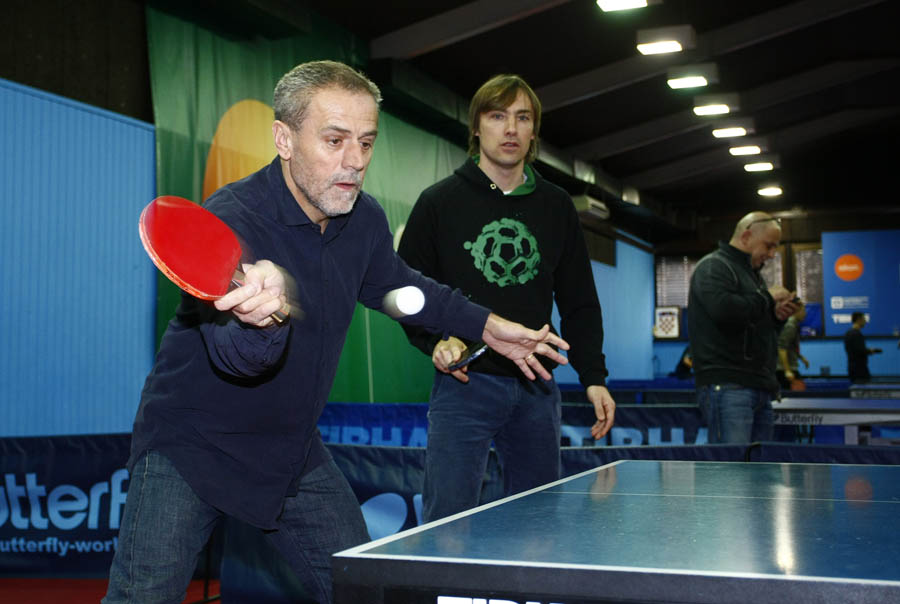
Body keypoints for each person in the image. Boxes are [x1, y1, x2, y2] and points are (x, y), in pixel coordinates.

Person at [103, 61, 571, 604]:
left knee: (369, 595)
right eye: (335, 140)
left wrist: (489, 326)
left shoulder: (363, 222)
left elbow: (404, 291)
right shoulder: (234, 218)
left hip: (292, 450)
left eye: (367, 143)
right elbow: (237, 359)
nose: (355, 162)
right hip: (191, 448)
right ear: (284, 138)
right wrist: (260, 319)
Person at [397, 74, 616, 523]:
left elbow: (579, 300)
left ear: (534, 131)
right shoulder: (437, 203)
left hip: (538, 387)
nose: (510, 129)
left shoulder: (556, 207)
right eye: (498, 116)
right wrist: (435, 340)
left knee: (537, 524)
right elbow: (405, 291)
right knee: (447, 524)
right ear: (477, 127)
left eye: (523, 117)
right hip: (464, 385)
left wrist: (594, 374)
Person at [687, 212, 800, 444]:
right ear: (747, 236)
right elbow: (724, 311)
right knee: (732, 474)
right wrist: (767, 298)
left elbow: (752, 327)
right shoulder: (713, 267)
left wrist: (776, 318)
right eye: (768, 246)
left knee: (761, 475)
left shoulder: (753, 277)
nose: (771, 254)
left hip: (758, 386)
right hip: (729, 386)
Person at [777, 301, 809, 389]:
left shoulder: (794, 324)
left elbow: (791, 346)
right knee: (799, 394)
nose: (805, 314)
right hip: (785, 369)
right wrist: (787, 371)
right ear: (796, 311)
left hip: (788, 367)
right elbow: (781, 348)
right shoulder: (790, 325)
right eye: (803, 311)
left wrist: (801, 357)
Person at [844, 311, 881, 383]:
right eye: (864, 319)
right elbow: (859, 351)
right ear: (858, 319)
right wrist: (870, 351)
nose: (865, 321)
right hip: (859, 369)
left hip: (853, 367)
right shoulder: (855, 334)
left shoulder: (848, 333)